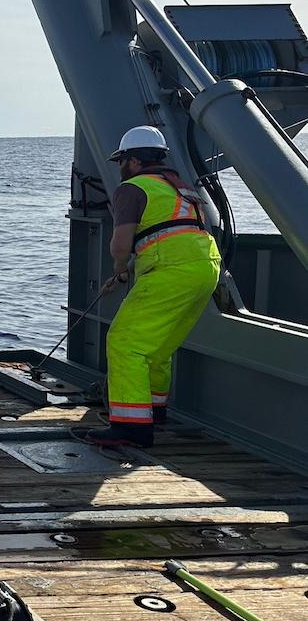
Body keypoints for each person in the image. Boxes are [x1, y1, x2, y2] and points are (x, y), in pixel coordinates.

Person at [80, 125, 221, 449]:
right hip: (204, 269)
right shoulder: (178, 188)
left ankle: (131, 428)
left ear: (132, 160)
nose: (120, 168)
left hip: (171, 271)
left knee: (124, 342)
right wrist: (129, 271)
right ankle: (153, 413)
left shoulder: (133, 188)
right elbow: (170, 232)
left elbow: (121, 244)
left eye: (121, 161)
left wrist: (119, 267)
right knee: (157, 349)